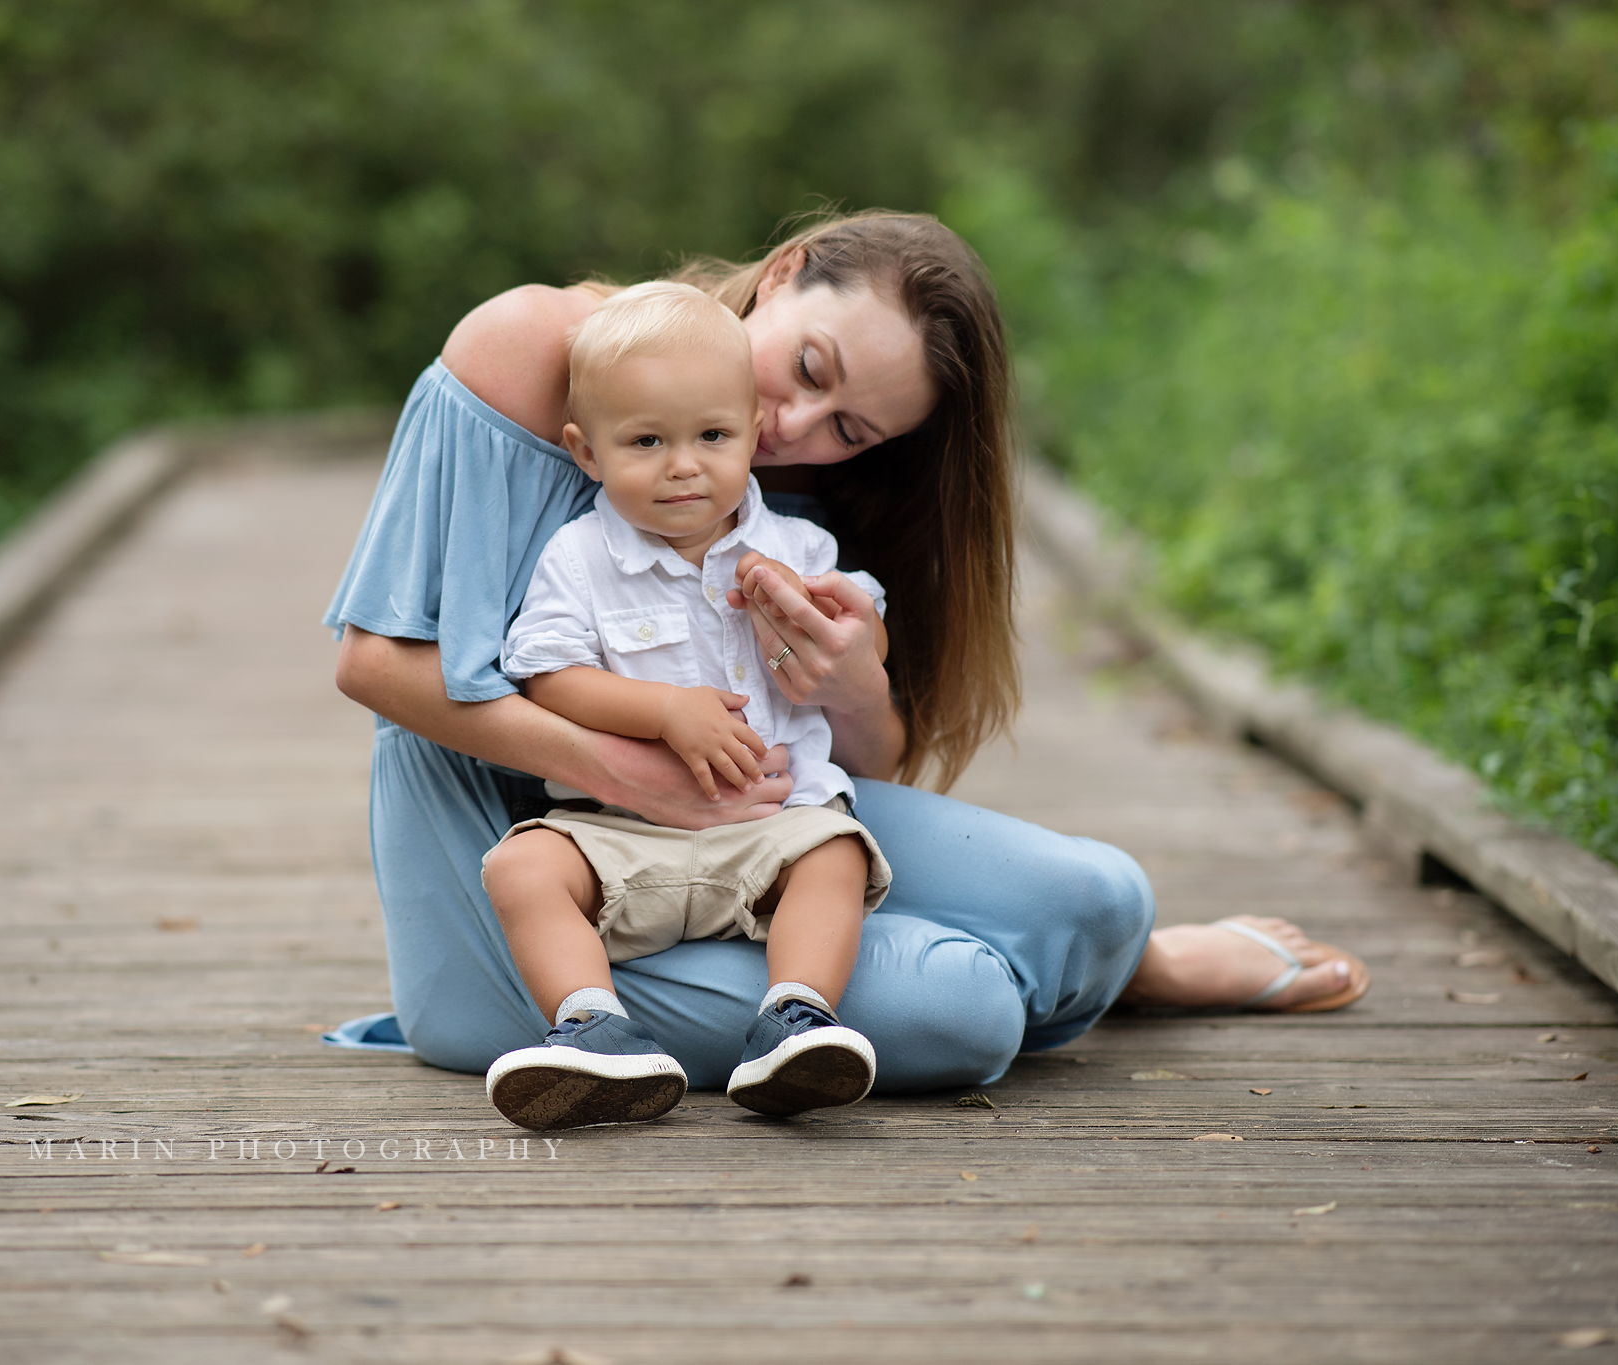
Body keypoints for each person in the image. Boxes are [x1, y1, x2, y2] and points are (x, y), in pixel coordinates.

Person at [326, 210, 1367, 1103]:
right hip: (516, 873)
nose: (792, 427)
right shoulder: (537, 343)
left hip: (742, 828)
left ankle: (1118, 963)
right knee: (965, 1008)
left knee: (1101, 898)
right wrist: (624, 763)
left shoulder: (776, 481)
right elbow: (374, 665)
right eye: (808, 368)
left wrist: (852, 685)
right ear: (782, 275)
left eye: (848, 429)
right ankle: (619, 1017)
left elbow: (853, 772)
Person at [482, 282, 893, 1131]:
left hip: (770, 824)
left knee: (837, 851)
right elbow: (545, 675)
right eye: (646, 441)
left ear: (750, 431)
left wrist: (812, 618)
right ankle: (593, 1026)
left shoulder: (796, 548)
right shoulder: (580, 554)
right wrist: (665, 711)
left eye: (712, 436)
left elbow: (865, 636)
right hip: (620, 831)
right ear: (586, 451)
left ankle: (798, 1016)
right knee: (521, 867)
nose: (683, 464)